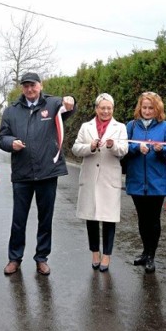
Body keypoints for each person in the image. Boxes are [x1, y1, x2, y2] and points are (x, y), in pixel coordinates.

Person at [0, 72, 76, 276]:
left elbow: (69, 107)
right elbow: (2, 138)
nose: (30, 89)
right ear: (22, 88)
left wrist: (71, 102)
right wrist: (10, 143)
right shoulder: (11, 111)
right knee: (18, 219)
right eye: (26, 86)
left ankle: (42, 258)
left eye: (33, 85)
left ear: (40, 86)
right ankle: (14, 258)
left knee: (45, 218)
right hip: (22, 173)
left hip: (47, 173)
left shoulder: (52, 104)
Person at [72, 93, 128, 273]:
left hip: (109, 177)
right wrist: (91, 147)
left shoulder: (120, 127)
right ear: (96, 109)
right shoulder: (85, 126)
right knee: (91, 217)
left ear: (113, 109)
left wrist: (112, 146)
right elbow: (75, 148)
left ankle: (107, 255)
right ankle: (95, 252)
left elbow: (124, 150)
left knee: (109, 218)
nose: (105, 111)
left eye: (109, 108)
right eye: (102, 108)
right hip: (90, 177)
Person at [124, 92, 166, 273]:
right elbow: (124, 148)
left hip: (157, 181)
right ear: (140, 107)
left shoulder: (165, 126)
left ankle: (152, 255)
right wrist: (137, 147)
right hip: (136, 180)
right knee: (142, 219)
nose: (147, 111)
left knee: (154, 220)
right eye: (144, 107)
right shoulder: (131, 125)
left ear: (157, 109)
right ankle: (145, 251)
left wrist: (161, 149)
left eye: (150, 108)